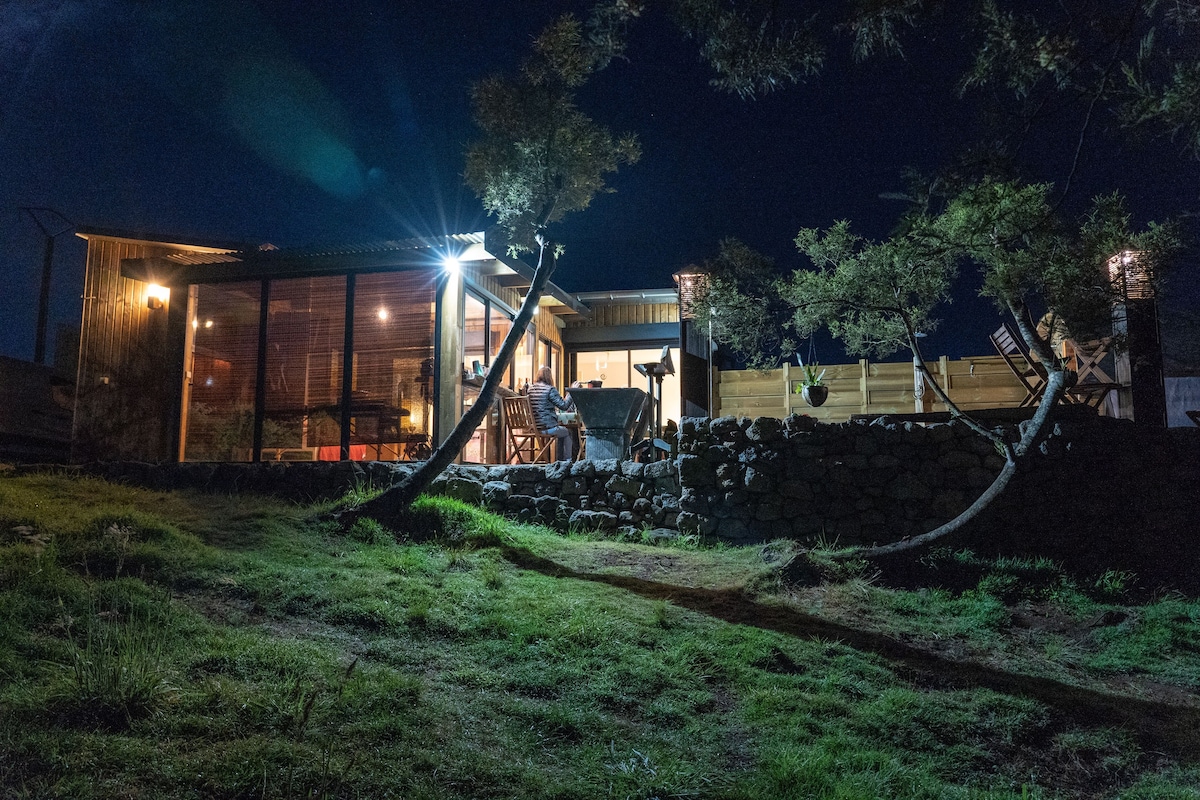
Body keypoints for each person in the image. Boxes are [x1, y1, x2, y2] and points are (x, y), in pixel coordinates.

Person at [526, 365, 575, 461]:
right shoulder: (550, 389)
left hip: (534, 427)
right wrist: (572, 391)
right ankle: (567, 461)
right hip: (547, 427)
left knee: (562, 432)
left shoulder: (530, 389)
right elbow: (564, 406)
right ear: (549, 377)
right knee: (567, 432)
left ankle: (560, 460)